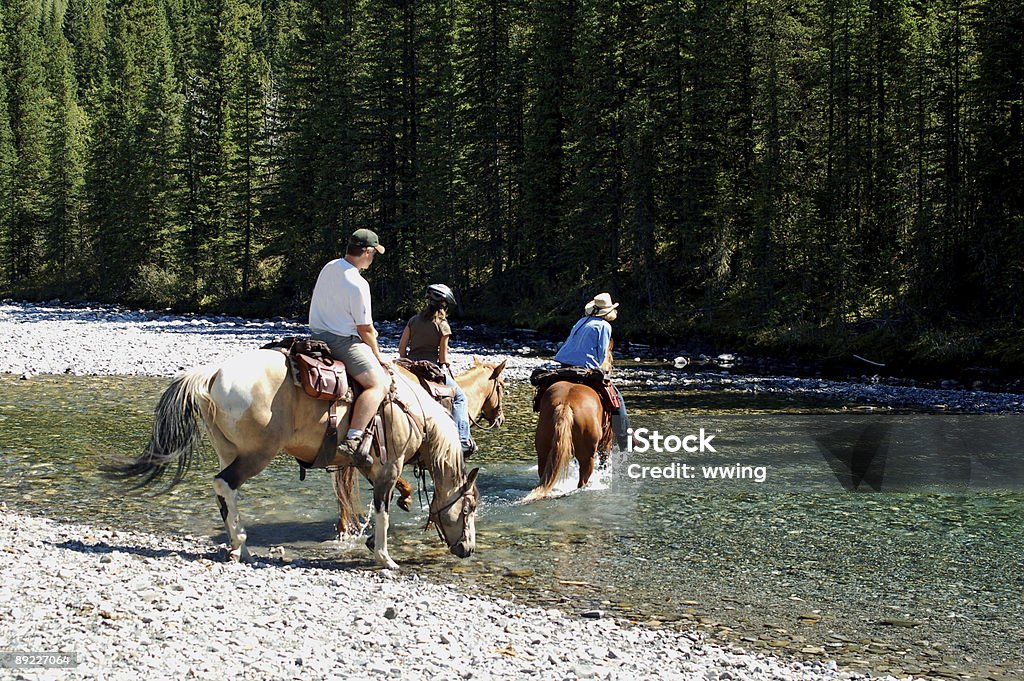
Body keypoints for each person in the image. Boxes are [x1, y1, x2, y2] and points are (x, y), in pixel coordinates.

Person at [308, 228, 390, 467]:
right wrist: (378, 355)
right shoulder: (358, 283)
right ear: (366, 252)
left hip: (316, 335)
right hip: (341, 341)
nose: (373, 258)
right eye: (374, 253)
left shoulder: (330, 266)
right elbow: (365, 330)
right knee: (378, 384)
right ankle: (353, 437)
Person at [398, 284, 476, 456]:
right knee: (460, 398)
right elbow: (443, 356)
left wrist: (406, 362)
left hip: (411, 366)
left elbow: (402, 347)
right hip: (431, 368)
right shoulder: (442, 325)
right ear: (445, 305)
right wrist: (445, 366)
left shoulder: (413, 320)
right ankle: (463, 439)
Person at [553, 292, 630, 450]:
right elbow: (601, 354)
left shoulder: (581, 321)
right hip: (585, 368)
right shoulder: (605, 326)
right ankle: (624, 438)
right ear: (608, 311)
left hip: (564, 365)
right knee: (617, 399)